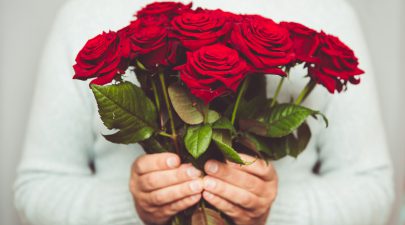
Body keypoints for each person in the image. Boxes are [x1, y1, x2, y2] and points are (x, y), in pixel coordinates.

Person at [14, 0, 394, 224]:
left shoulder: (325, 9)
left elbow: (373, 186)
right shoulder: (86, 11)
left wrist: (273, 212)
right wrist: (135, 210)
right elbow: (38, 185)